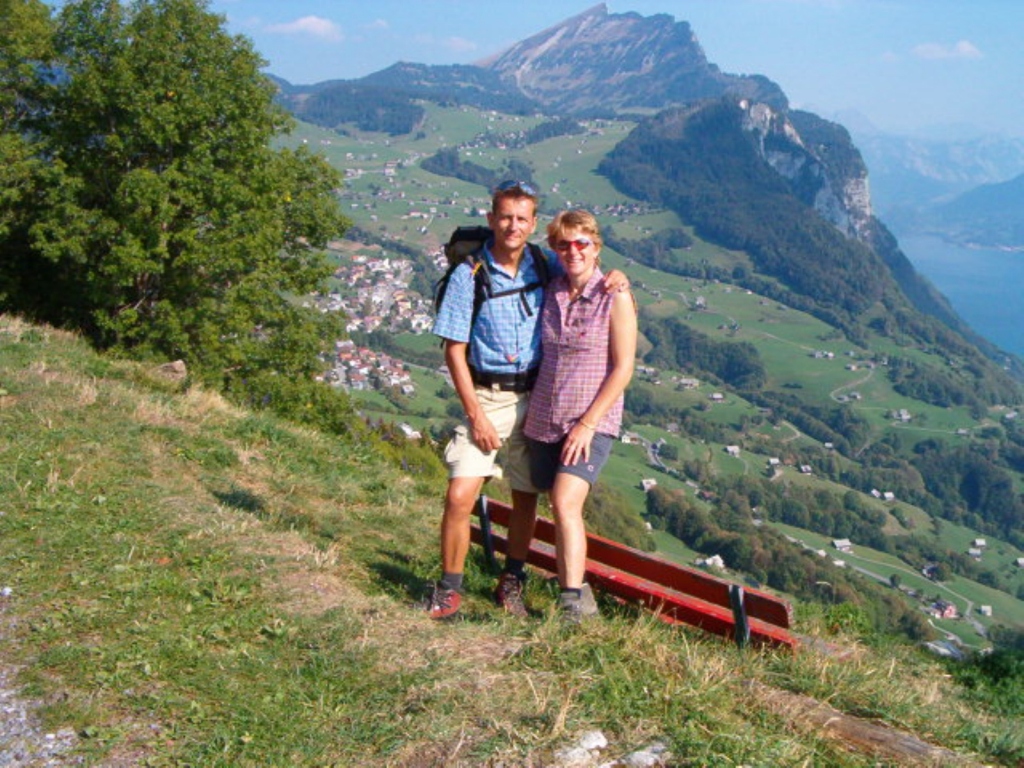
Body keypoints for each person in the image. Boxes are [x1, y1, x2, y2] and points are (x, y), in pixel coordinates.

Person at [428, 182, 627, 620]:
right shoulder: (470, 274)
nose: (512, 226)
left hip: (537, 399)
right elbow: (454, 350)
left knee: (525, 498)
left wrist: (617, 277)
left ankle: (511, 581)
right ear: (490, 219)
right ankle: (449, 589)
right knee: (460, 495)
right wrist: (476, 415)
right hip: (488, 397)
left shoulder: (543, 261)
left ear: (533, 224)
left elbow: (581, 259)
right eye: (505, 217)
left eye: (521, 219)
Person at [523, 209, 637, 623]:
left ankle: (572, 603)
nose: (573, 251)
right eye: (564, 244)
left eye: (582, 243)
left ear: (596, 246)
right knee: (540, 495)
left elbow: (624, 368)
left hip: (591, 422)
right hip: (544, 417)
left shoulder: (614, 296)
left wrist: (588, 424)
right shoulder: (551, 287)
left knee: (564, 501)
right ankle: (541, 583)